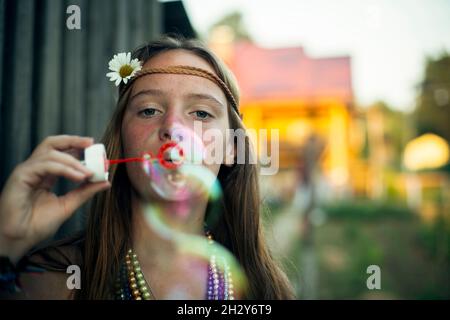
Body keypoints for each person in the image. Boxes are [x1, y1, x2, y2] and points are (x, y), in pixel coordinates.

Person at [0, 35, 294, 300]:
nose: (173, 129)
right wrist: (7, 242)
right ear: (122, 137)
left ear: (232, 147)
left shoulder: (268, 290)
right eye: (149, 110)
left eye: (202, 113)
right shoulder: (54, 279)